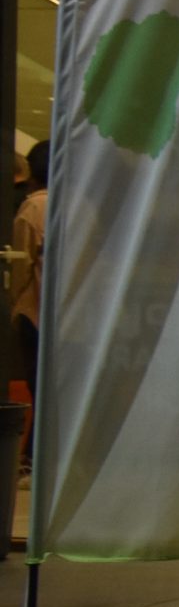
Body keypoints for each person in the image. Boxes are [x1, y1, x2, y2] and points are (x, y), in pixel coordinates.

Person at [10, 141, 46, 472]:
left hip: (36, 308)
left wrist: (12, 301)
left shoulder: (34, 208)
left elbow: (20, 264)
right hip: (73, 315)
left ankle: (34, 457)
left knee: (40, 384)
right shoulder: (82, 202)